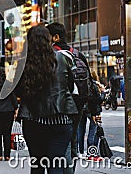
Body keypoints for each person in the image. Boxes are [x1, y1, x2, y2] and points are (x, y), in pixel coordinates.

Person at [16, 25, 78, 174]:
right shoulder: (63, 58)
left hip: (33, 120)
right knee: (55, 165)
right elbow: (71, 86)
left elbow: (18, 90)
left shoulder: (23, 63)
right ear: (49, 39)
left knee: (37, 165)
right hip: (60, 118)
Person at [46, 22, 93, 174]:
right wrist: (94, 109)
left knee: (60, 142)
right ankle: (71, 169)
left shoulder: (52, 55)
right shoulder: (78, 54)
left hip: (60, 105)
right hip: (78, 105)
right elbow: (89, 82)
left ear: (56, 37)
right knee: (72, 139)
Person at [77, 69, 105, 160]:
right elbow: (98, 99)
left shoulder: (84, 84)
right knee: (93, 130)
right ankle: (91, 153)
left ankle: (80, 151)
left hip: (83, 108)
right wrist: (103, 92)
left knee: (81, 130)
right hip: (93, 110)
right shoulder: (95, 85)